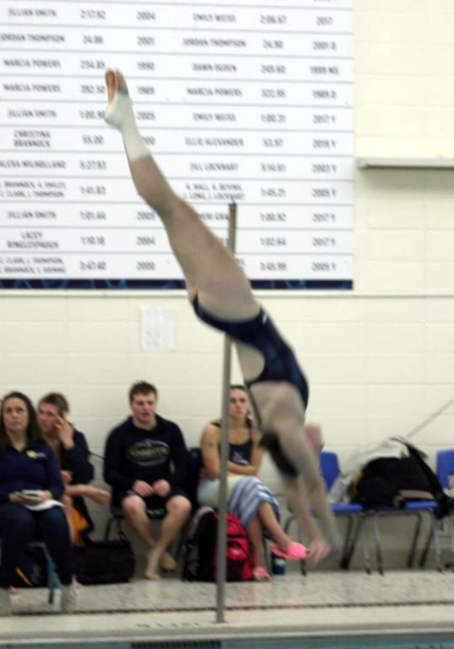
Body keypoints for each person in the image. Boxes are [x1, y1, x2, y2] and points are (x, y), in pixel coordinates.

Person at [104, 69, 340, 564]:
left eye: (314, 444)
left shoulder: (286, 424)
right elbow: (299, 489)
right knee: (172, 212)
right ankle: (126, 124)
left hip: (237, 309)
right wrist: (313, 527)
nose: (321, 438)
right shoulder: (287, 416)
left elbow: (313, 484)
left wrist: (327, 536)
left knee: (172, 209)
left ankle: (126, 123)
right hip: (224, 309)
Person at [0, 392, 75, 615]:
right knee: (21, 519)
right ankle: (2, 584)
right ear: (2, 417)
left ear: (29, 416)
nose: (14, 415)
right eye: (8, 411)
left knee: (57, 519)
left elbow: (57, 486)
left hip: (39, 507)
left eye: (19, 410)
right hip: (1, 510)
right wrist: (10, 497)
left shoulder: (42, 450)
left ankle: (67, 583)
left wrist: (46, 496)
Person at [198, 385, 301, 580]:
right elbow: (213, 472)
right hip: (210, 489)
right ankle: (281, 540)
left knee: (251, 493)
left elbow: (254, 469)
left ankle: (259, 566)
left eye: (242, 401)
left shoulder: (257, 432)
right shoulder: (213, 430)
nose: (237, 405)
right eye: (232, 401)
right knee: (252, 486)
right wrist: (241, 472)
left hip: (242, 488)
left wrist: (226, 464)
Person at [103, 381, 191, 580]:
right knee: (133, 505)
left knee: (183, 505)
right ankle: (156, 550)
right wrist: (132, 483)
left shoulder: (171, 430)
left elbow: (185, 466)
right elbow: (109, 474)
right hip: (132, 489)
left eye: (150, 402)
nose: (145, 408)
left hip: (163, 488)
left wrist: (169, 482)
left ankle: (156, 553)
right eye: (140, 403)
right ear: (131, 406)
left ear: (156, 404)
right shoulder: (119, 434)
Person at [37, 392, 109, 545]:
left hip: (67, 498)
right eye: (41, 412)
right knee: (65, 501)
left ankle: (67, 558)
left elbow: (85, 476)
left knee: (66, 501)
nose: (43, 418)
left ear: (61, 418)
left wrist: (69, 444)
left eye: (49, 414)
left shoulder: (76, 438)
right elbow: (35, 479)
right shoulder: (32, 439)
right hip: (40, 497)